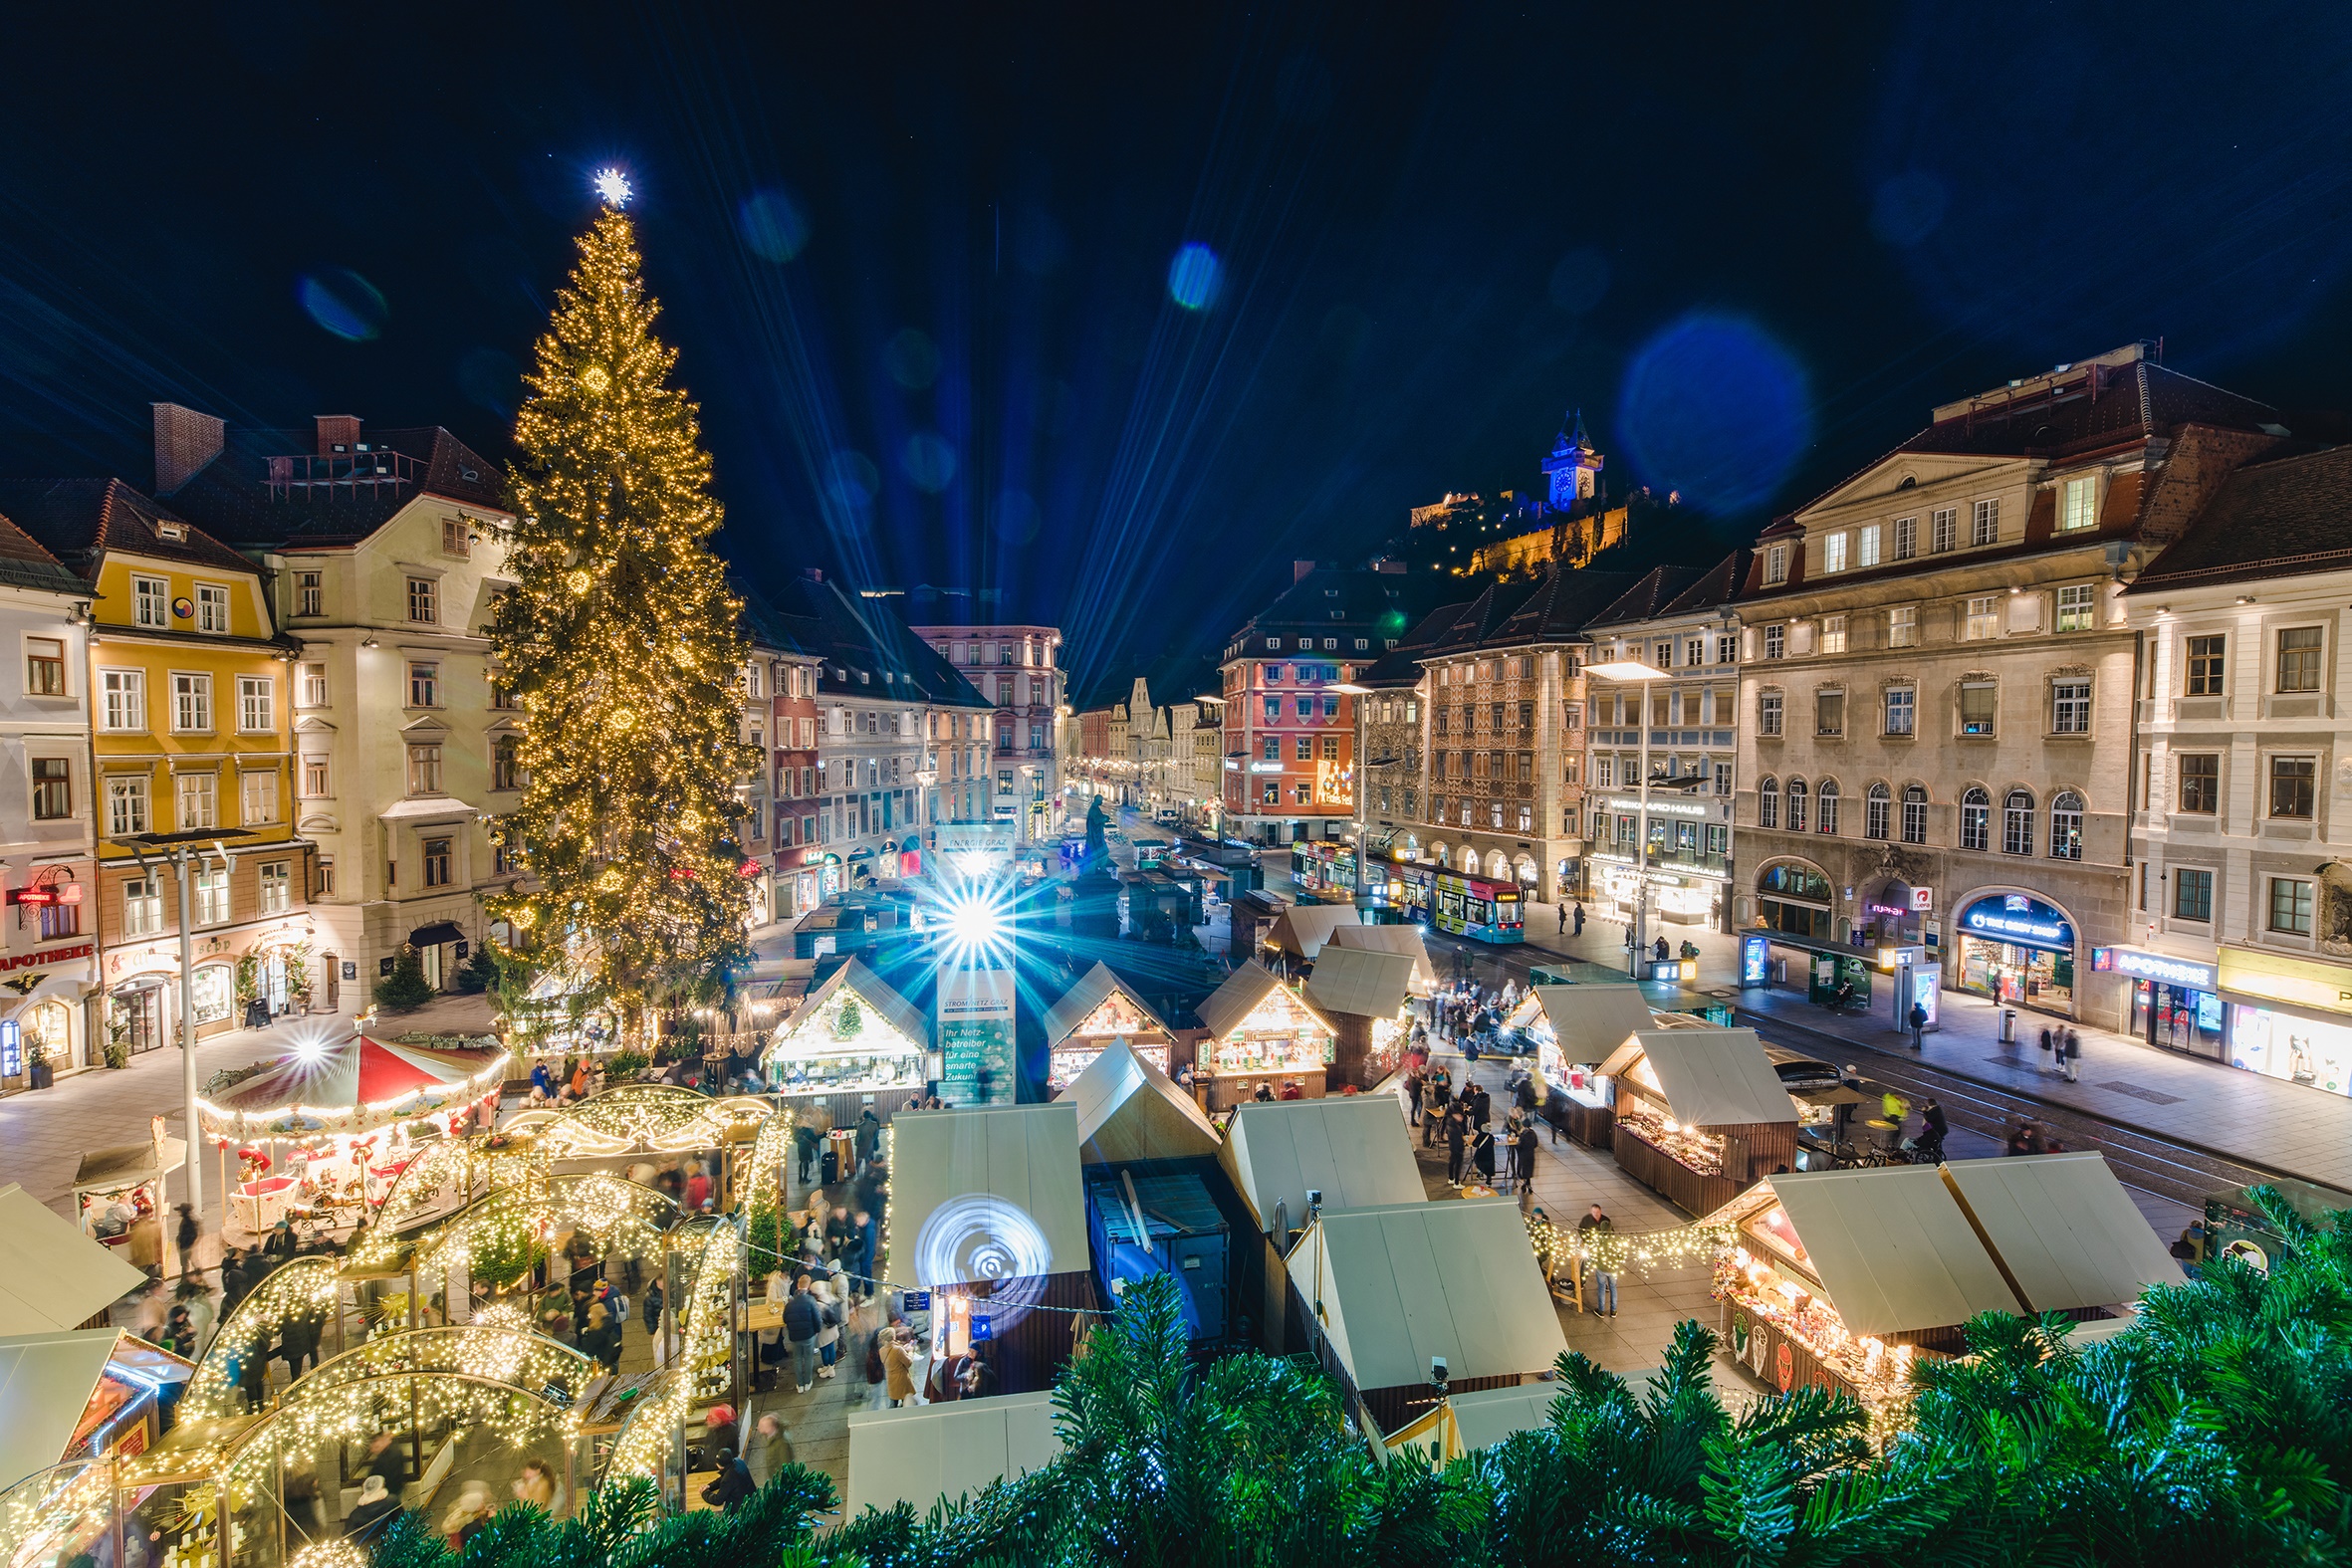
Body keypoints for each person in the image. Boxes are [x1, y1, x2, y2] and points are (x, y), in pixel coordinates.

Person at [1577, 1203, 1616, 1316]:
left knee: (1602, 1278)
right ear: (1591, 1212)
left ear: (1600, 1211)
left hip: (1602, 1254)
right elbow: (1581, 1230)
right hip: (1592, 1249)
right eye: (1594, 1212)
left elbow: (1611, 1233)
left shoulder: (1606, 1221)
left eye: (1597, 1212)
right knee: (1585, 1263)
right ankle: (1582, 1281)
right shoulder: (1587, 1220)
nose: (1596, 1214)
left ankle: (1602, 1306)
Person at [783, 1279, 821, 1393]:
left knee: (797, 1359)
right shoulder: (811, 1301)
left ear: (798, 1285)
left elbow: (785, 1319)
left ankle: (800, 1384)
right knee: (808, 1358)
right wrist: (817, 1331)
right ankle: (808, 1382)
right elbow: (817, 1319)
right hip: (808, 1335)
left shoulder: (790, 1303)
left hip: (795, 1335)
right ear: (808, 1286)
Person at [343, 1474, 399, 1541]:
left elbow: (348, 1536)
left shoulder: (355, 1514)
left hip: (363, 1548)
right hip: (388, 1545)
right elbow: (401, 1521)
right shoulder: (392, 1502)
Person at [440, 1480, 494, 1551]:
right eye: (480, 1502)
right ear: (475, 1507)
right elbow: (484, 1539)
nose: (483, 1503)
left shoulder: (468, 1516)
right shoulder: (472, 1526)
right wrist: (490, 1521)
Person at [745, 1412, 791, 1485]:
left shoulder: (782, 1444)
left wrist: (781, 1483)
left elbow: (786, 1464)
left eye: (761, 1426)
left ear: (769, 1428)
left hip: (780, 1481)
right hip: (774, 1477)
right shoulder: (772, 1436)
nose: (758, 1428)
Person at [883, 1325, 918, 1407]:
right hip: (901, 1379)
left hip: (891, 1380)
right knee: (906, 1399)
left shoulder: (883, 1349)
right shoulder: (898, 1350)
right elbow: (908, 1363)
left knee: (893, 1400)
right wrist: (910, 1351)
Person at [173, 1204, 201, 1282]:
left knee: (186, 1264)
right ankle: (198, 1279)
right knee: (192, 1263)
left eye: (180, 1211)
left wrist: (189, 1245)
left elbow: (193, 1234)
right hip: (186, 1245)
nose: (179, 1212)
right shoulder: (189, 1219)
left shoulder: (189, 1221)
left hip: (186, 1246)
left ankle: (185, 1282)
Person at [1445, 1107, 1468, 1187]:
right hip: (1457, 1148)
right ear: (1455, 1115)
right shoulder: (1454, 1127)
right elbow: (1457, 1139)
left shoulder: (1450, 1123)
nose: (1461, 1118)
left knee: (1452, 1162)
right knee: (1458, 1165)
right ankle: (1457, 1183)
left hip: (1452, 1147)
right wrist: (1462, 1146)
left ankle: (1451, 1178)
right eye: (1460, 1116)